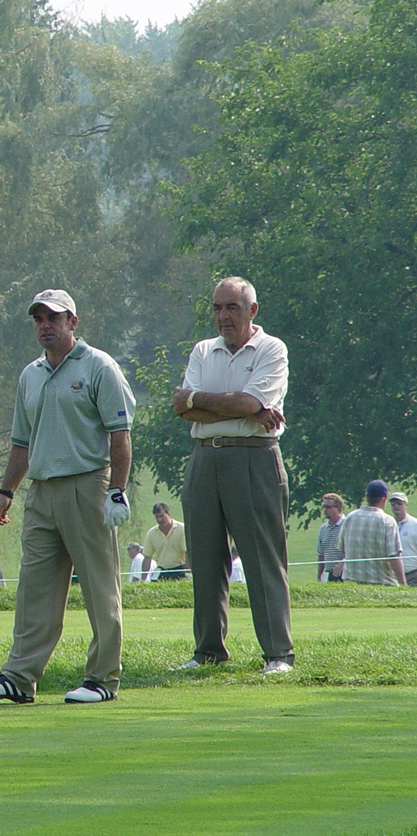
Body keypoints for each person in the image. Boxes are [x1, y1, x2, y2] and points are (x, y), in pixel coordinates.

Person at [0, 288, 133, 705]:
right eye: (39, 319)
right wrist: (6, 490)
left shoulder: (99, 366)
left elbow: (120, 434)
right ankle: (18, 678)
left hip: (88, 484)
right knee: (35, 590)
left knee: (100, 587)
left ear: (72, 323)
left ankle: (102, 679)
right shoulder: (30, 374)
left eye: (53, 318)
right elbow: (22, 442)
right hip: (41, 492)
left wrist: (117, 490)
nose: (45, 325)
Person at [172, 277, 293, 675]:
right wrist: (244, 409)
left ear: (252, 310)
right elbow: (182, 408)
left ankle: (278, 653)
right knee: (205, 558)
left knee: (261, 558)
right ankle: (208, 651)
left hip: (253, 459)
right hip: (204, 459)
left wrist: (229, 404)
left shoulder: (271, 349)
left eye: (233, 308)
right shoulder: (203, 351)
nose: (223, 316)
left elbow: (237, 400)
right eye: (218, 308)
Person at [340, 480, 405, 586]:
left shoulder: (350, 517)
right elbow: (394, 555)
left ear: (366, 496)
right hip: (381, 582)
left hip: (352, 582)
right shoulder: (387, 521)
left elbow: (342, 549)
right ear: (384, 498)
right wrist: (403, 584)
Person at [143, 503, 189, 580]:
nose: (159, 519)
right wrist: (143, 579)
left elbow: (187, 552)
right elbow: (147, 557)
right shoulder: (151, 533)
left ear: (168, 514)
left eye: (161, 516)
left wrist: (187, 572)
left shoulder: (181, 529)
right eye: (157, 517)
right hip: (161, 570)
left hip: (179, 569)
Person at [388, 492, 417, 586]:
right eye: (393, 504)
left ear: (406, 505)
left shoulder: (414, 524)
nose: (396, 506)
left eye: (399, 503)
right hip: (392, 576)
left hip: (413, 574)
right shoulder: (389, 524)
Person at [316, 493, 346, 583]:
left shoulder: (346, 525)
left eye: (328, 507)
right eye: (324, 507)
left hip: (343, 573)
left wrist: (342, 564)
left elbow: (353, 551)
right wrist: (319, 574)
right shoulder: (323, 528)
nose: (325, 510)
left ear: (339, 507)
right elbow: (321, 554)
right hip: (328, 573)